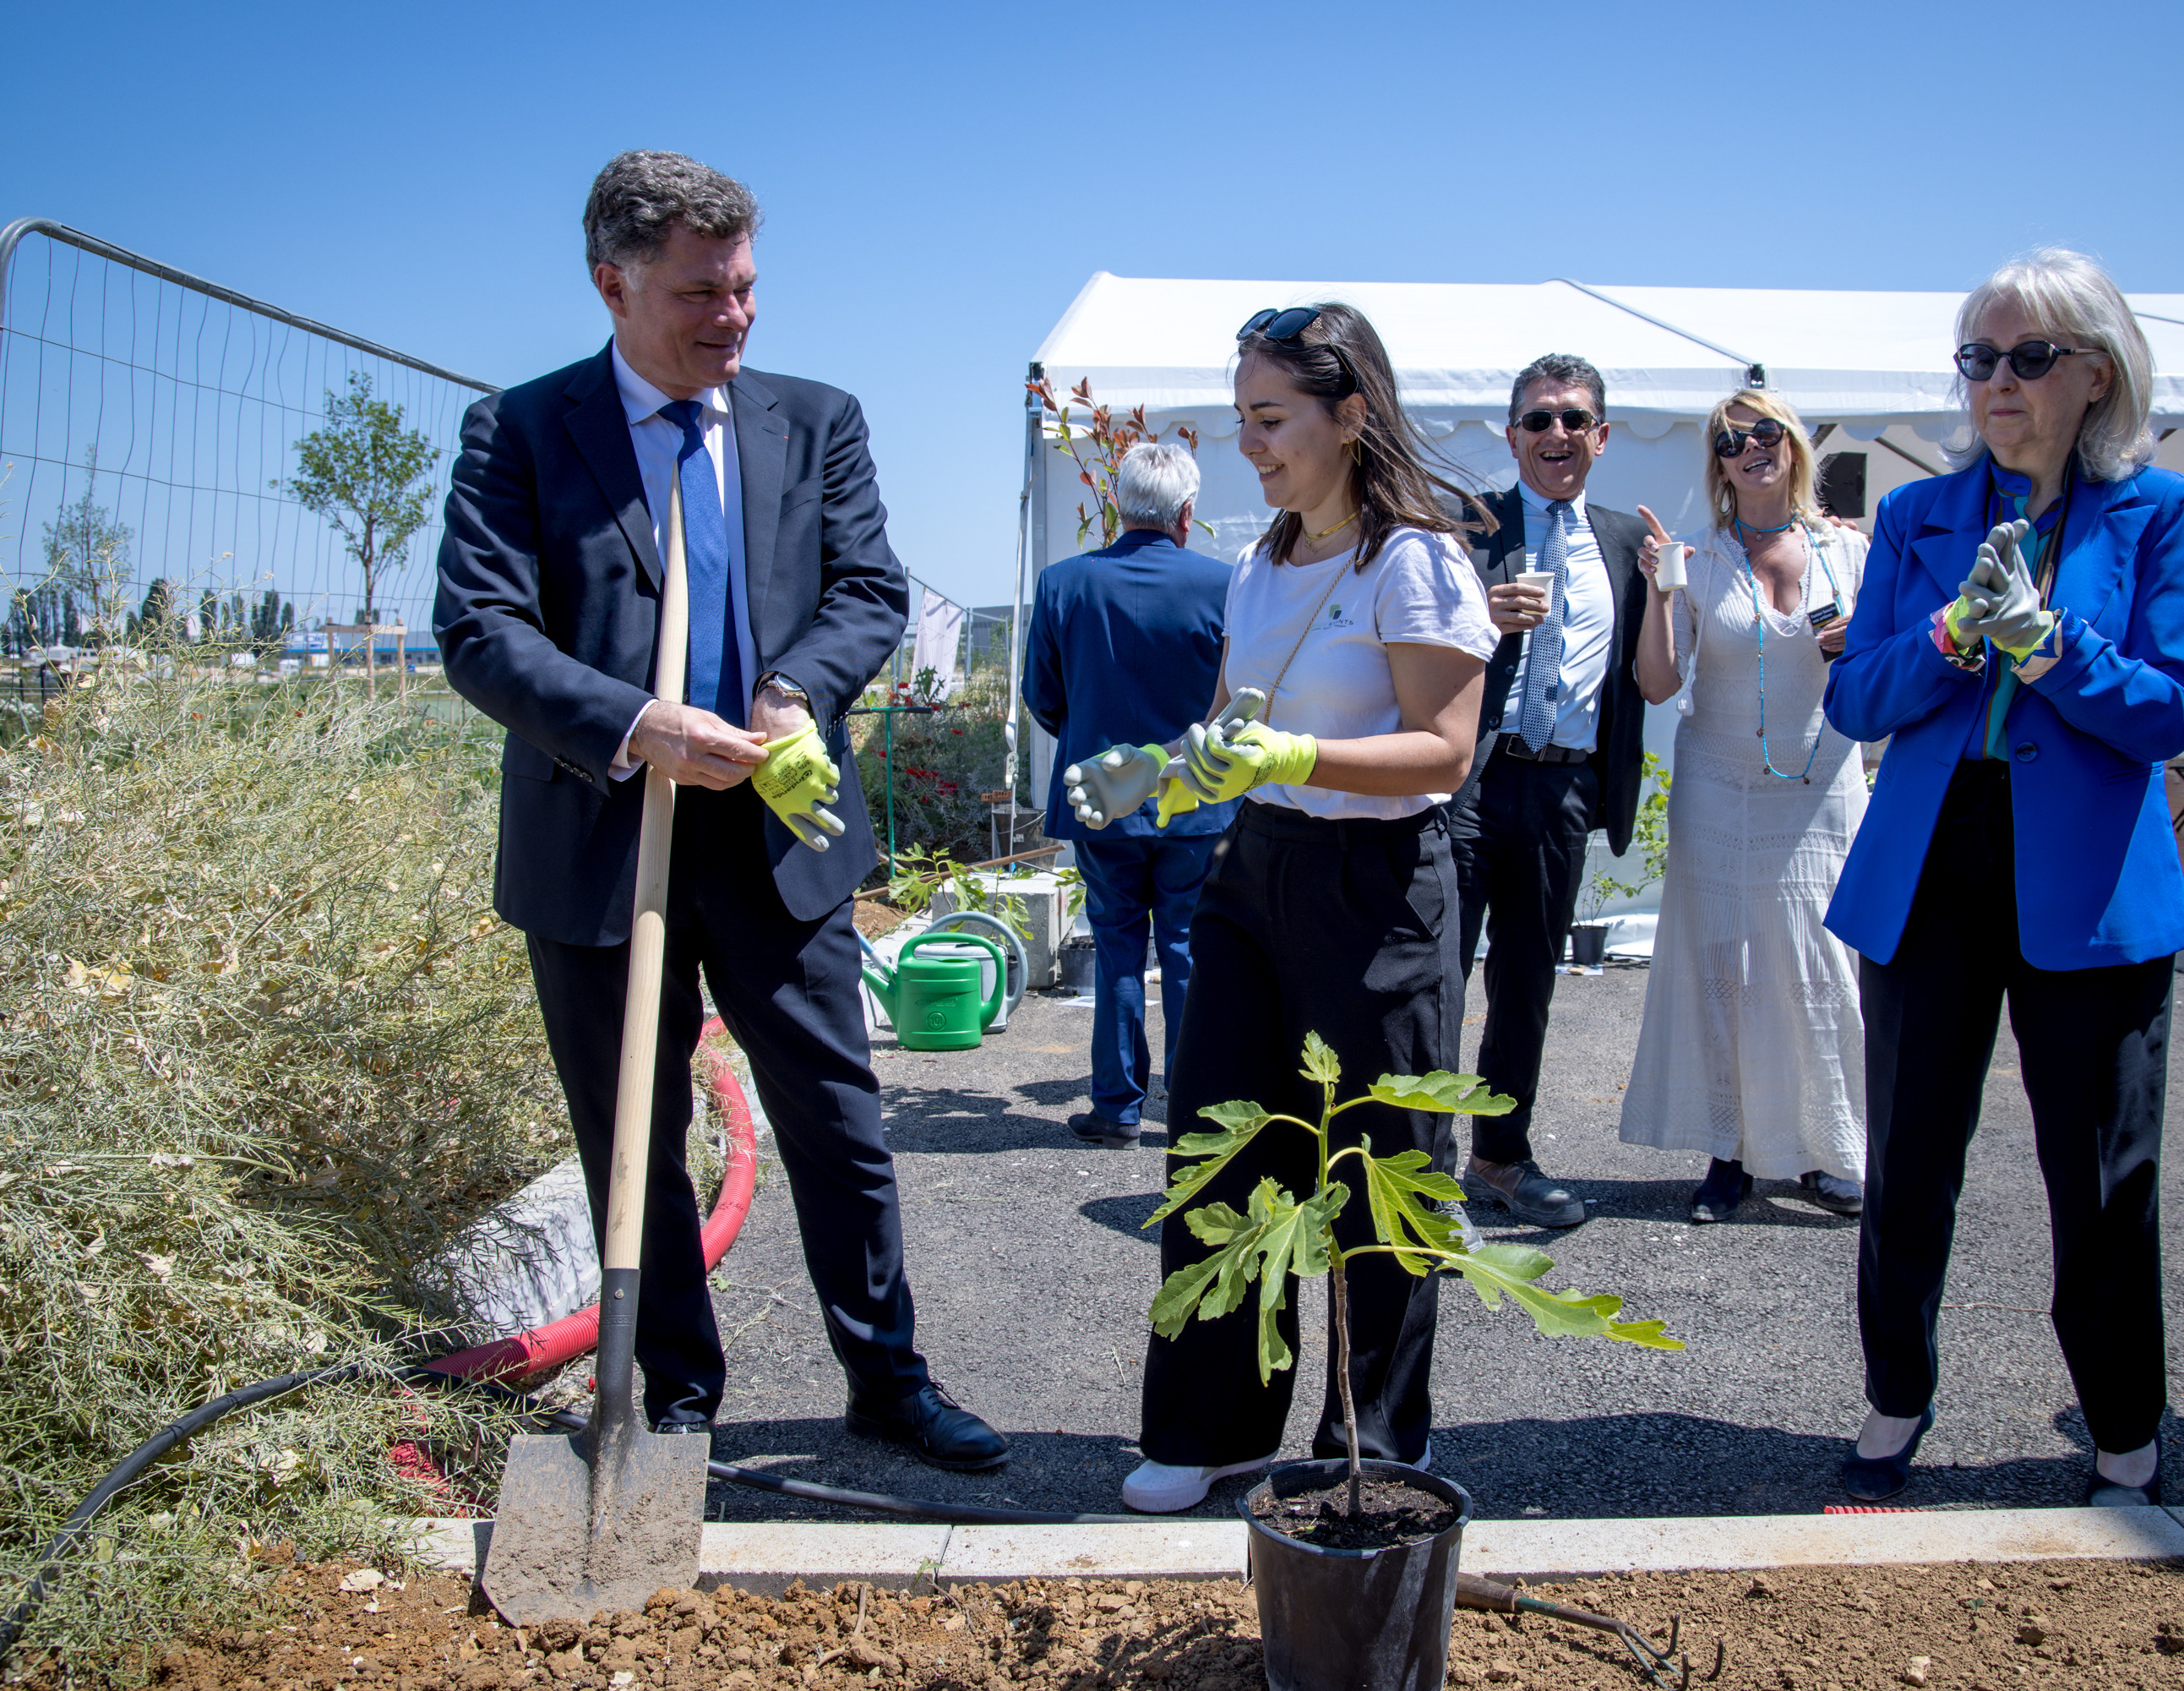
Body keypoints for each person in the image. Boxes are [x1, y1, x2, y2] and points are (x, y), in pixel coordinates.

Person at [433, 151, 1005, 1471]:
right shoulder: (523, 433)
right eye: (701, 294)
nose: (734, 319)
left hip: (775, 838)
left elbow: (866, 590)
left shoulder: (814, 419)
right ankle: (676, 1397)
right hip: (602, 837)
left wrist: (796, 692)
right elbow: (480, 629)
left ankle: (887, 1377)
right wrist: (637, 726)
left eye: (746, 288)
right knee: (632, 1130)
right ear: (613, 286)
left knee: (836, 1119)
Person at [1061, 302, 1496, 1514]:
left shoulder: (1416, 559)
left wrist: (1285, 756)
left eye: (1270, 418)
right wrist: (1170, 768)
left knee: (1383, 1170)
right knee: (1219, 1145)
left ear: (1351, 415)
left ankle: (1376, 1444)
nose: (1247, 443)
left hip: (1379, 890)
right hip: (1254, 870)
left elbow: (1442, 754)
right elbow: (1231, 723)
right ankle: (1214, 1427)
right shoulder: (1260, 560)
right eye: (1242, 417)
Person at [1822, 248, 2184, 1507]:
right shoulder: (1914, 517)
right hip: (1932, 864)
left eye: (2028, 356)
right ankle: (1892, 1408)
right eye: (1979, 357)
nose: (1997, 380)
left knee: (2101, 1176)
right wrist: (1947, 638)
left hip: (2089, 882)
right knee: (1911, 1157)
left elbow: (2173, 711)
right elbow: (1855, 692)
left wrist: (2052, 648)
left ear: (2096, 371)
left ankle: (2123, 1437)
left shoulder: (2159, 512)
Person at [1619, 391, 1869, 1224]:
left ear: (1794, 445)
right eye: (1731, 441)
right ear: (1719, 464)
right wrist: (1663, 591)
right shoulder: (1704, 556)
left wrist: (1853, 646)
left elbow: (1886, 674)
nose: (1750, 448)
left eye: (1765, 433)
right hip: (1719, 783)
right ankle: (1729, 1154)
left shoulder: (1851, 553)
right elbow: (1658, 683)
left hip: (1823, 783)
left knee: (1822, 970)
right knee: (1725, 975)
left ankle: (1834, 1152)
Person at [1446, 353, 1653, 1230]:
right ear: (1512, 435)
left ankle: (1499, 1157)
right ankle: (1412, 1171)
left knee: (1527, 985)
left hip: (1564, 788)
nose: (1556, 435)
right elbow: (1406, 645)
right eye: (1537, 420)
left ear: (1600, 436)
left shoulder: (1625, 543)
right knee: (1434, 979)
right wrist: (1480, 623)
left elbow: (1644, 675)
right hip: (1469, 782)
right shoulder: (1464, 525)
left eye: (1573, 419)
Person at [1021, 441, 1237, 1146]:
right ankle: (1195, 1110)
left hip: (1101, 797)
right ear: (1187, 513)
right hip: (1194, 797)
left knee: (1116, 945)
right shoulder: (1224, 583)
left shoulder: (1063, 583)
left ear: (1118, 504)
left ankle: (1116, 1108)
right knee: (1184, 945)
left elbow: (1043, 698)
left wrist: (1095, 739)